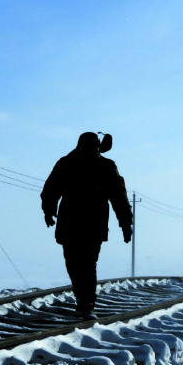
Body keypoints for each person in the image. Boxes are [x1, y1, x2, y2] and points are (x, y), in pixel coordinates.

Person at [41, 132, 133, 320]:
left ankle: (87, 303)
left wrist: (125, 224)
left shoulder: (107, 166)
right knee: (73, 262)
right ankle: (82, 298)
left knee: (88, 263)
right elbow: (51, 188)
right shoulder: (66, 163)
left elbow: (119, 196)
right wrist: (49, 210)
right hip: (70, 221)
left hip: (94, 223)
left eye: (95, 149)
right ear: (79, 148)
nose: (92, 153)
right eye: (88, 149)